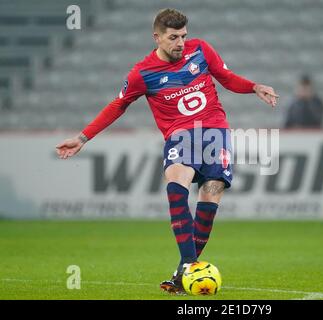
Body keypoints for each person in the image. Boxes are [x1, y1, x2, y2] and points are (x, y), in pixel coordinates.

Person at [55, 8, 279, 294]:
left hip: (215, 130)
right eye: (173, 37)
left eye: (183, 36)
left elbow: (226, 76)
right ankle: (188, 265)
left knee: (211, 194)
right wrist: (83, 137)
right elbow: (117, 105)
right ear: (157, 37)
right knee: (176, 186)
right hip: (180, 135)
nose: (180, 43)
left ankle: (182, 272)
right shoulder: (142, 73)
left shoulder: (200, 50)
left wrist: (254, 87)